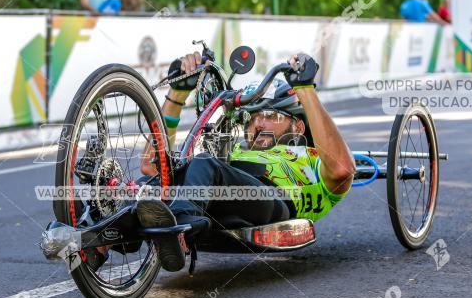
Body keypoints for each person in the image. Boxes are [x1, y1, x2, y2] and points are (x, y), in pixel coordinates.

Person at [135, 52, 355, 272]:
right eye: (251, 117)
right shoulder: (234, 150)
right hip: (216, 197)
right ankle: (109, 237)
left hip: (274, 200)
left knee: (204, 163)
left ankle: (180, 227)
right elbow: (154, 167)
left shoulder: (311, 158)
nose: (258, 123)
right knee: (148, 183)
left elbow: (342, 170)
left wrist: (305, 89)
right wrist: (177, 94)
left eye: (270, 114)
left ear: (298, 126)